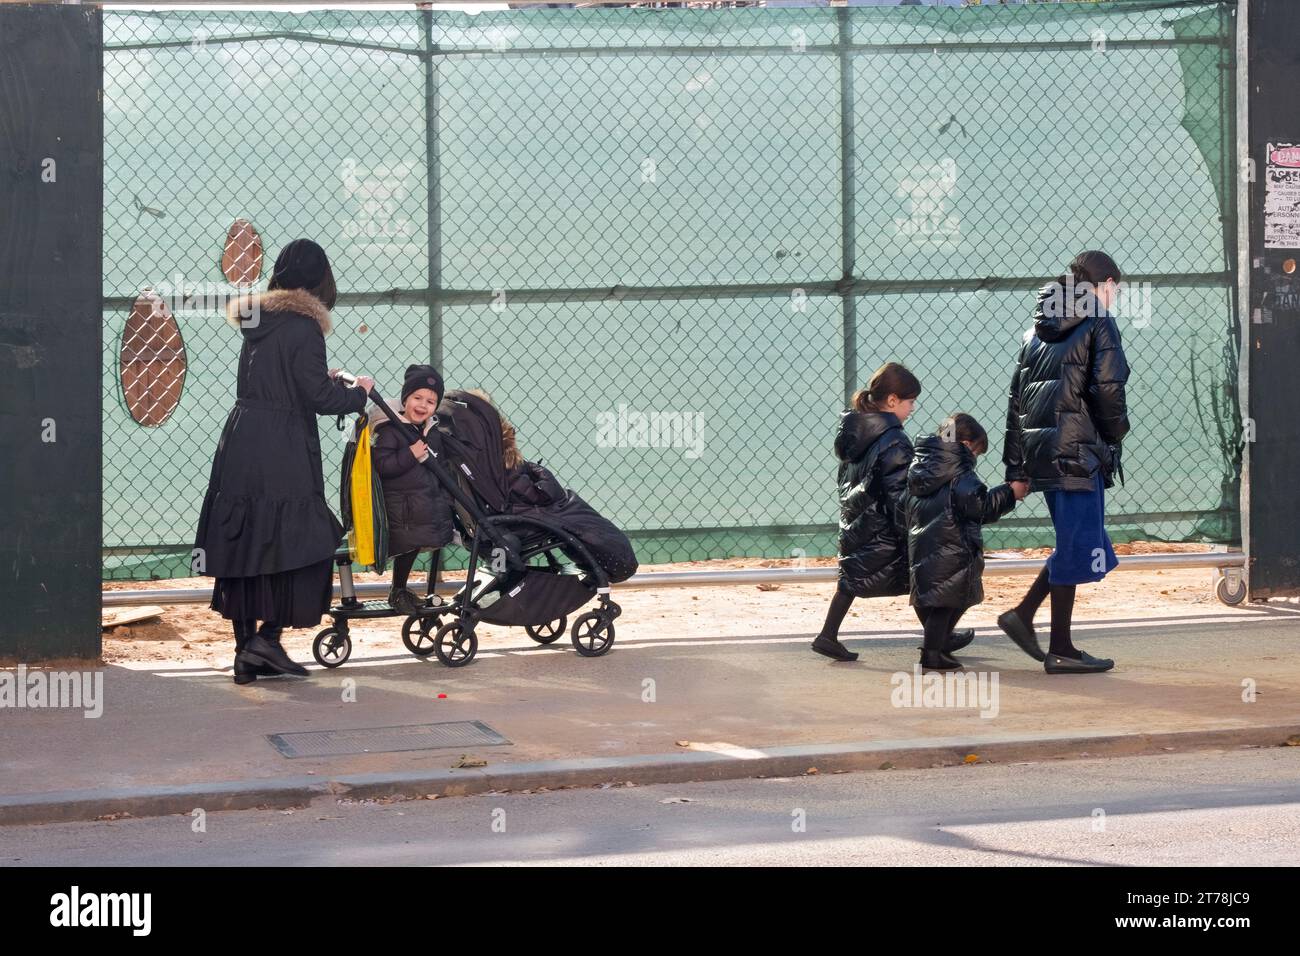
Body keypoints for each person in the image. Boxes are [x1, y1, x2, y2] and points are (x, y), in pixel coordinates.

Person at [193, 239, 373, 684]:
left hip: (242, 438)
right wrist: (358, 394)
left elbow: (284, 379)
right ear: (319, 279)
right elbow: (315, 395)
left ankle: (246, 650)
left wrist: (317, 381)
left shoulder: (260, 320)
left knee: (247, 539)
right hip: (284, 444)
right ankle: (269, 638)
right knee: (305, 536)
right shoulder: (304, 326)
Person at [1000, 250, 1131, 674]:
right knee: (1078, 545)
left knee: (1079, 541)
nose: (1115, 298)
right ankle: (1059, 648)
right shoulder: (1098, 322)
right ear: (1105, 284)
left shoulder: (1034, 331)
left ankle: (1024, 616)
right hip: (1078, 453)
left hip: (1045, 455)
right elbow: (1108, 389)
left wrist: (1017, 467)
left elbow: (1016, 401)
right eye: (1115, 290)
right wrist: (1114, 436)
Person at [811, 361, 927, 662]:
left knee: (851, 579)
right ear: (892, 401)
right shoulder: (895, 441)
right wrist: (912, 526)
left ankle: (828, 635)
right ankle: (937, 637)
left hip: (858, 520)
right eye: (910, 401)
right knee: (917, 574)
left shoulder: (854, 434)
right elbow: (898, 492)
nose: (913, 407)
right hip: (885, 526)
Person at [905, 414, 1027, 671]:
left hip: (925, 547)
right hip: (952, 550)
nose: (975, 458)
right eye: (976, 452)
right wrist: (1009, 493)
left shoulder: (922, 469)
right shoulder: (960, 475)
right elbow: (980, 507)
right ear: (965, 444)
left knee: (941, 601)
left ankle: (938, 644)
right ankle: (932, 653)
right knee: (946, 603)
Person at [373, 364, 454, 616]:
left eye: (430, 401)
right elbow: (382, 465)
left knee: (414, 546)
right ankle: (397, 591)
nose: (423, 405)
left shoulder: (430, 429)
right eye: (417, 398)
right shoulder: (390, 430)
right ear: (405, 398)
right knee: (407, 547)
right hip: (402, 506)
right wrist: (410, 454)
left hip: (421, 502)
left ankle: (400, 589)